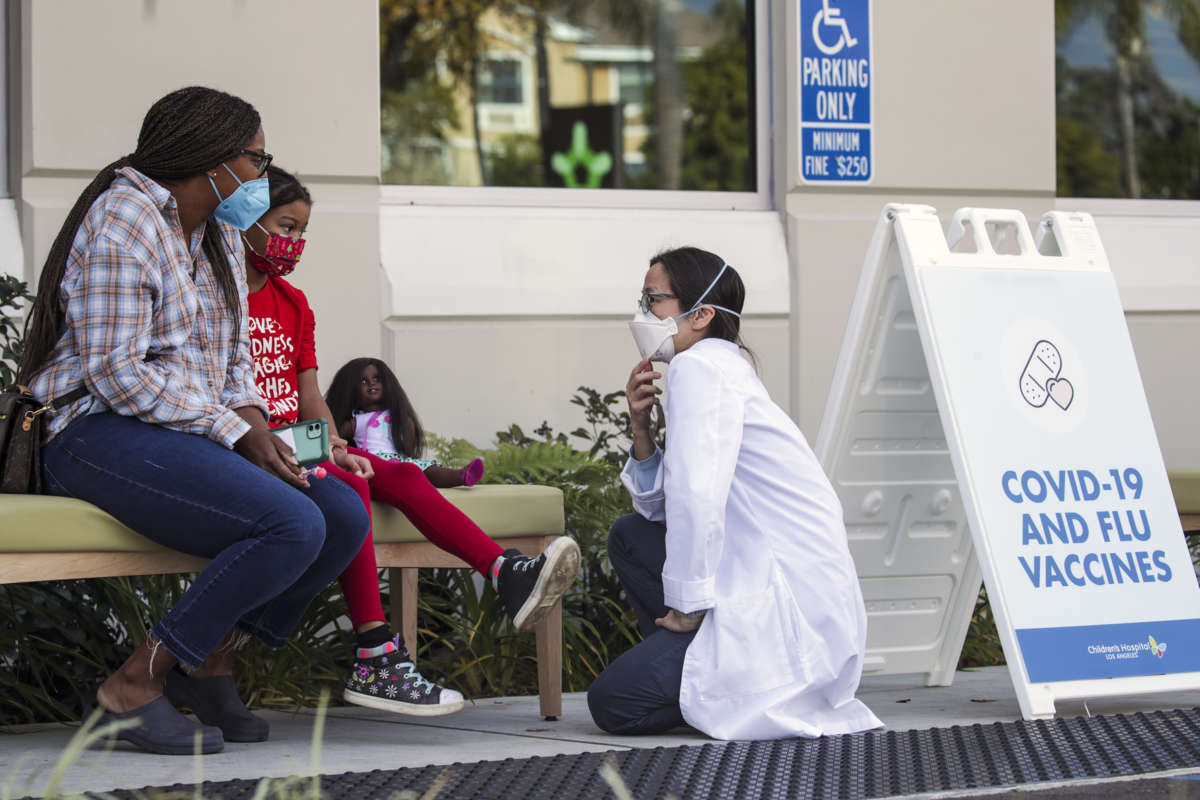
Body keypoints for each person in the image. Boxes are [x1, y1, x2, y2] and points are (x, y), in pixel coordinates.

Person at [17, 87, 369, 755]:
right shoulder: (123, 221)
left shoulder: (219, 236)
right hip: (89, 432)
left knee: (340, 514)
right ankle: (131, 687)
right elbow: (116, 373)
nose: (264, 178)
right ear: (213, 159)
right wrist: (229, 429)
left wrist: (252, 420)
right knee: (291, 523)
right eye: (259, 159)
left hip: (179, 426)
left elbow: (233, 361)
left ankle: (205, 665)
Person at [240, 166, 581, 717]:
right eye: (285, 226)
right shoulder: (218, 300)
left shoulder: (294, 302)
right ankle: (375, 653)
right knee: (350, 484)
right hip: (251, 442)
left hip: (298, 439)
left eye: (302, 232)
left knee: (399, 472)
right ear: (246, 220)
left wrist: (333, 442)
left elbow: (310, 393)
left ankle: (505, 572)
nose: (294, 243)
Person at [586, 247, 882, 740]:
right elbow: (657, 510)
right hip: (791, 603)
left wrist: (687, 605)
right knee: (630, 535)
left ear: (700, 314)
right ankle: (696, 669)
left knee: (612, 704)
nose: (643, 313)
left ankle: (711, 682)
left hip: (789, 615)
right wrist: (641, 429)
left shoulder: (699, 369)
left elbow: (696, 499)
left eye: (652, 299)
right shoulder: (717, 369)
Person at [325, 358, 484, 488]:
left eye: (377, 379)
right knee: (413, 470)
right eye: (363, 381)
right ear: (351, 390)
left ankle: (461, 475)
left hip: (398, 460)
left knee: (424, 468)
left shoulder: (395, 415)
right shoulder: (357, 421)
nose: (371, 384)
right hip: (373, 462)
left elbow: (408, 432)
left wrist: (406, 424)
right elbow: (335, 435)